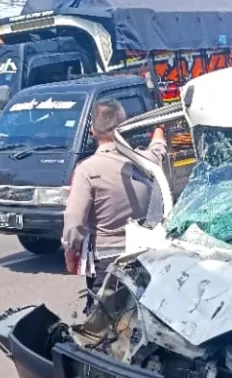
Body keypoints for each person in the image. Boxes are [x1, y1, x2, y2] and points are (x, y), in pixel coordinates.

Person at [62, 100, 168, 287]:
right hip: (143, 257)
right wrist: (159, 128)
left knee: (104, 314)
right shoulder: (143, 162)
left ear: (93, 131)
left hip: (106, 263)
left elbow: (74, 221)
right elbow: (158, 150)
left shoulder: (87, 170)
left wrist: (71, 253)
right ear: (123, 127)